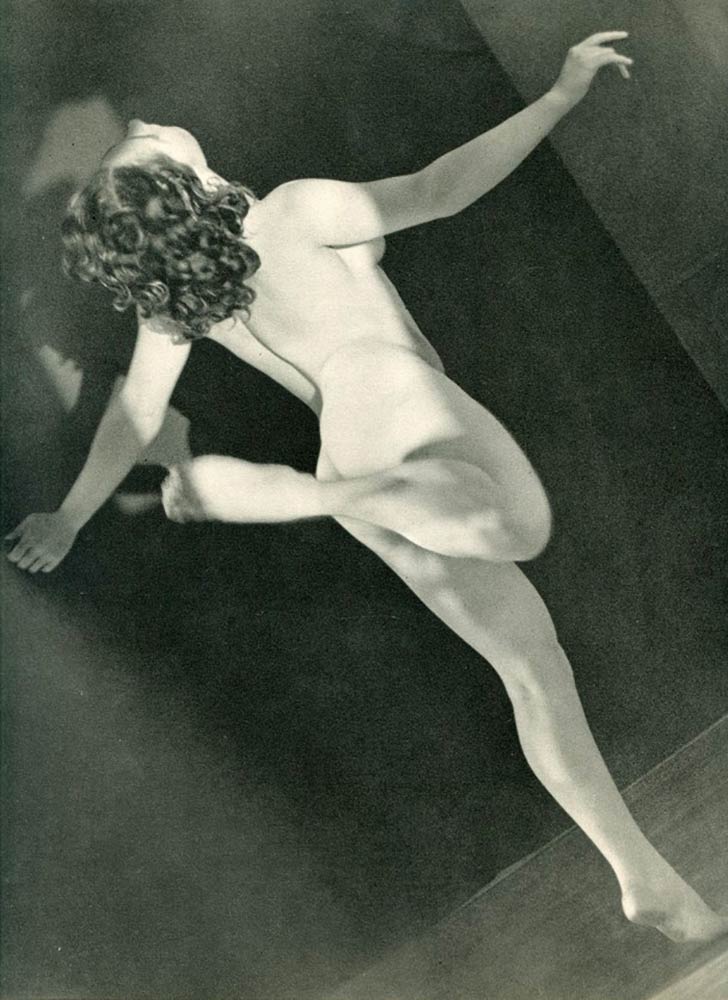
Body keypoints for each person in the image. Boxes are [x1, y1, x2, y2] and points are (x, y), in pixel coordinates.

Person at [6, 32, 727, 944]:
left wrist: (70, 519)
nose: (146, 122)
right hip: (389, 406)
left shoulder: (185, 300)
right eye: (140, 142)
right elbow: (439, 189)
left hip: (349, 451)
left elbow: (136, 416)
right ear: (177, 181)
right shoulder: (291, 212)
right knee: (524, 525)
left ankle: (639, 876)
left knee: (533, 666)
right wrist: (558, 97)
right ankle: (316, 496)